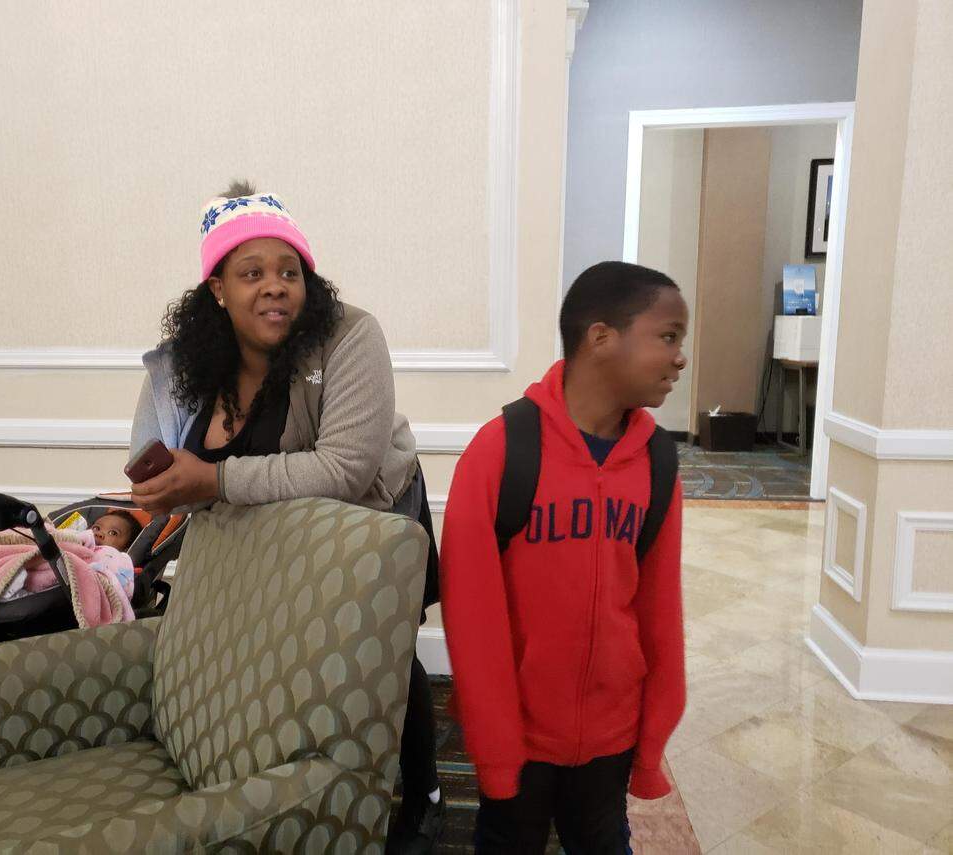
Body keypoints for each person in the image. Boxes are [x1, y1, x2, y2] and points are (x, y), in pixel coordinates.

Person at [129, 182, 443, 853]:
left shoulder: (350, 335)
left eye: (289, 271)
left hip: (370, 513)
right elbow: (151, 455)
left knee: (384, 644)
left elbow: (344, 470)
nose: (275, 286)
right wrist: (150, 502)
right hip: (266, 523)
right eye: (252, 272)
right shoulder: (185, 363)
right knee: (287, 647)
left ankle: (421, 790)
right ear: (216, 287)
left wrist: (212, 479)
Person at [440, 261, 689, 854]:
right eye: (668, 336)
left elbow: (660, 612)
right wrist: (498, 753)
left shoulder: (656, 461)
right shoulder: (501, 451)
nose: (681, 358)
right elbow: (474, 625)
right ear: (600, 337)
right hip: (520, 740)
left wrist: (650, 742)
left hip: (612, 735)